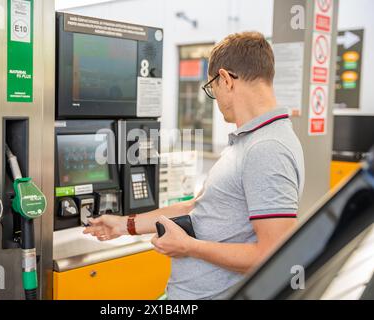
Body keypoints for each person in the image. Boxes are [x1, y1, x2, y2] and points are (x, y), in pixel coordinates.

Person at [84, 31, 305, 300]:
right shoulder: (249, 141)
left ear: (225, 79)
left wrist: (189, 247)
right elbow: (195, 207)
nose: (216, 97)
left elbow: (273, 254)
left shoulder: (266, 148)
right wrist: (123, 225)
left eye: (212, 87)